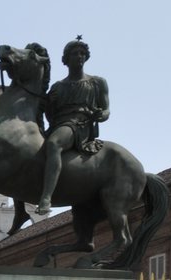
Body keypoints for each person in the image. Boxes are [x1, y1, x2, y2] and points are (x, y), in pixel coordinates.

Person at [35, 37, 110, 216]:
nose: (80, 57)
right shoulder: (57, 87)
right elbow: (48, 113)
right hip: (58, 124)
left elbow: (106, 111)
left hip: (78, 124)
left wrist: (100, 114)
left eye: (83, 54)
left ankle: (46, 197)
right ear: (66, 59)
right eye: (75, 53)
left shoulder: (97, 83)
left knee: (54, 144)